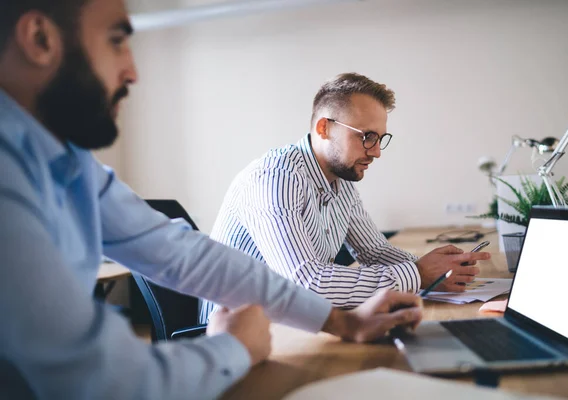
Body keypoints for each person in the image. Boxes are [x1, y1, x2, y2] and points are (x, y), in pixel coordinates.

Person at [0, 2, 424, 399]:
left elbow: (185, 251)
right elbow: (102, 379)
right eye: (116, 40)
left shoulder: (65, 159)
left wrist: (340, 321)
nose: (132, 71)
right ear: (40, 38)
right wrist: (235, 348)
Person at [210, 72, 490, 309]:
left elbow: (375, 251)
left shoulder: (341, 182)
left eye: (380, 139)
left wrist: (437, 267)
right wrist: (417, 273)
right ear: (324, 128)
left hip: (288, 317)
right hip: (236, 333)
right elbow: (308, 284)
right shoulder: (276, 178)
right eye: (367, 137)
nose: (377, 152)